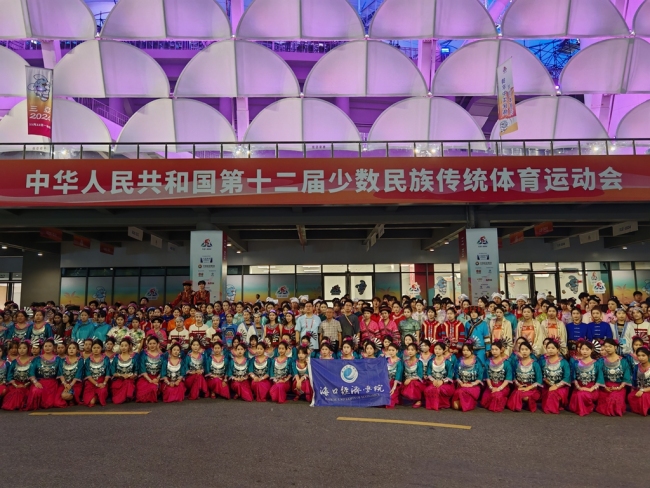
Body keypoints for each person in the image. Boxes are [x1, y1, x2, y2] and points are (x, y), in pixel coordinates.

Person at [596, 338, 632, 417]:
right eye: (605, 346)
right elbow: (599, 376)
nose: (607, 348)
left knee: (614, 399)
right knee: (606, 401)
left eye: (610, 346)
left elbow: (626, 376)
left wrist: (620, 387)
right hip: (605, 386)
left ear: (615, 347)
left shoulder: (623, 361)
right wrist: (604, 387)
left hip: (619, 387)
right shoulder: (601, 361)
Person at [569, 340, 604, 416]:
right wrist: (578, 387)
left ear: (591, 350)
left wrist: (591, 389)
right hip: (579, 388)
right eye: (582, 349)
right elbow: (573, 377)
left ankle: (587, 407)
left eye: (587, 349)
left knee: (581, 395)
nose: (584, 351)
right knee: (579, 394)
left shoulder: (596, 363)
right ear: (579, 350)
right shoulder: (576, 362)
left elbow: (599, 378)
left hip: (592, 389)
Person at [25, 338, 61, 410]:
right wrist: (35, 382)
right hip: (39, 382)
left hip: (52, 384)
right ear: (43, 347)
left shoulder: (58, 359)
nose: (47, 348)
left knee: (52, 403)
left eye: (50, 346)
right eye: (46, 346)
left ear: (54, 347)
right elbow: (31, 372)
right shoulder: (37, 359)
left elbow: (60, 373)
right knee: (36, 391)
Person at [507, 339, 542, 413]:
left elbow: (539, 380)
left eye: (526, 349)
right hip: (520, 387)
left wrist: (528, 388)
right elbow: (514, 377)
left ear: (530, 351)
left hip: (532, 389)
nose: (524, 351)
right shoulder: (517, 363)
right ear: (519, 351)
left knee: (523, 396)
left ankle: (528, 403)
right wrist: (519, 385)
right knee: (518, 392)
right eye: (522, 349)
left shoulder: (535, 364)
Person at [539, 338, 571, 414]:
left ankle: (554, 407)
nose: (550, 350)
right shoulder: (543, 361)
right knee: (549, 393)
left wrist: (556, 386)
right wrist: (547, 382)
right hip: (547, 385)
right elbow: (540, 374)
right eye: (548, 348)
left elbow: (567, 377)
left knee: (553, 393)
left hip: (561, 387)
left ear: (558, 349)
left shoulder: (564, 362)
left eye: (553, 348)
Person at [480, 340, 512, 413]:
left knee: (496, 396)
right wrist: (491, 387)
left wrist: (499, 388)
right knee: (485, 401)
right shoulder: (488, 362)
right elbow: (487, 377)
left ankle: (504, 399)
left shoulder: (506, 363)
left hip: (502, 387)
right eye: (492, 349)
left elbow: (507, 379)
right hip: (491, 386)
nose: (494, 351)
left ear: (501, 350)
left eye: (496, 349)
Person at [452, 342, 484, 411]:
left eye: (467, 350)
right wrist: (461, 383)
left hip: (473, 386)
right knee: (455, 406)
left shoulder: (477, 361)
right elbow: (456, 374)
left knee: (462, 399)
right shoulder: (459, 360)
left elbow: (480, 376)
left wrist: (472, 384)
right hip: (462, 384)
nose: (465, 352)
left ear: (471, 351)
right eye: (463, 350)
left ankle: (470, 402)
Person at [424, 341, 455, 411]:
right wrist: (433, 380)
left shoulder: (447, 362)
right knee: (429, 390)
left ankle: (442, 404)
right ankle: (433, 404)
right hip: (434, 381)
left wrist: (442, 381)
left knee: (441, 389)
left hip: (445, 383)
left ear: (443, 350)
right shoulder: (431, 361)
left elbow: (450, 375)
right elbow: (428, 373)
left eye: (439, 349)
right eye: (435, 349)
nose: (437, 351)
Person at [2, 340, 32, 410]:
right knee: (17, 391)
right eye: (20, 348)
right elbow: (9, 376)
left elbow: (34, 374)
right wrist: (16, 385)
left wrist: (25, 385)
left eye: (24, 348)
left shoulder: (32, 361)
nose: (22, 350)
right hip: (15, 384)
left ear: (28, 349)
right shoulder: (14, 362)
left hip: (28, 384)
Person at [82, 339, 111, 407]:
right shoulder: (88, 360)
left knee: (102, 391)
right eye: (94, 348)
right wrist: (97, 384)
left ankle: (99, 395)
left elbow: (107, 373)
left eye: (98, 348)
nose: (96, 350)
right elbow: (88, 375)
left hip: (102, 382)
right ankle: (96, 396)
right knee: (91, 402)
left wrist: (103, 383)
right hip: (91, 382)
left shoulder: (106, 359)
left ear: (101, 348)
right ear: (92, 348)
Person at [136, 336, 164, 403]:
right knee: (141, 394)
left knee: (153, 388)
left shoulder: (162, 356)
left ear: (157, 344)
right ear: (147, 345)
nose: (152, 345)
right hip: (146, 377)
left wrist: (157, 379)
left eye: (154, 343)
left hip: (157, 377)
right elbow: (143, 369)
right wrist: (150, 380)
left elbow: (163, 369)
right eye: (150, 343)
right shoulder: (144, 355)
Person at [110, 338, 137, 405]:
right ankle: (124, 397)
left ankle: (127, 396)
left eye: (125, 345)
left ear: (129, 347)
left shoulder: (133, 358)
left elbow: (136, 371)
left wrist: (133, 375)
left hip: (129, 379)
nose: (123, 347)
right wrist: (121, 375)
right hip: (119, 379)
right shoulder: (116, 358)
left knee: (128, 383)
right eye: (122, 346)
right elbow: (113, 372)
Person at [628, 346, 650, 416]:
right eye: (639, 356)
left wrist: (643, 390)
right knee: (631, 396)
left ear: (648, 356)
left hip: (648, 390)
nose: (641, 358)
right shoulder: (637, 367)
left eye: (643, 355)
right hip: (639, 388)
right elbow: (634, 380)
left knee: (644, 397)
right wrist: (633, 389)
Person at [385, 343, 403, 409]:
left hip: (395, 382)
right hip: (386, 381)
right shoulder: (386, 360)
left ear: (397, 351)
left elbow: (398, 374)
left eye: (393, 350)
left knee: (389, 401)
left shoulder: (399, 362)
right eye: (389, 350)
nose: (391, 352)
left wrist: (394, 387)